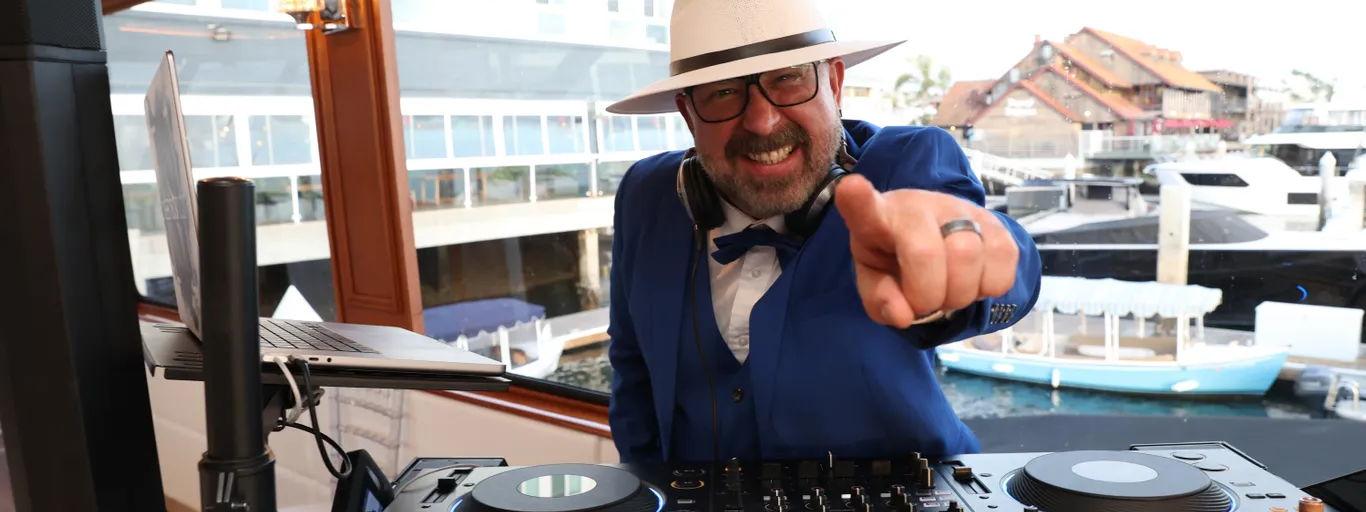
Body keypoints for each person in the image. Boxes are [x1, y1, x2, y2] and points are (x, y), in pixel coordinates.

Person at [602, 0, 1041, 463]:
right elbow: (632, 371)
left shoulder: (906, 164)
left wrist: (963, 262)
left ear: (833, 83)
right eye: (724, 93)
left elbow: (1000, 262)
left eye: (787, 78)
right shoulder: (645, 194)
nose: (762, 121)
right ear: (688, 114)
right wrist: (647, 484)